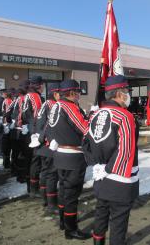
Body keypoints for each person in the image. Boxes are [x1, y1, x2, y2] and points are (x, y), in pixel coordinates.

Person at [83, 75, 139, 245]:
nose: (129, 95)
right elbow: (125, 151)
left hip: (101, 178)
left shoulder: (95, 115)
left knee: (101, 216)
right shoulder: (125, 116)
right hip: (120, 180)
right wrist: (107, 169)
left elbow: (85, 143)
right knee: (118, 223)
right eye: (127, 91)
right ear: (120, 94)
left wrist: (96, 164)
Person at [48, 79, 91, 240]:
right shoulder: (69, 106)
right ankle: (71, 230)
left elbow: (49, 128)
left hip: (60, 154)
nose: (79, 95)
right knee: (72, 194)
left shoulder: (56, 105)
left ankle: (63, 221)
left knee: (64, 190)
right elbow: (84, 128)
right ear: (72, 93)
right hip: (72, 156)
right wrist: (91, 117)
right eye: (78, 92)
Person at [30, 82, 60, 213]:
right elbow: (50, 125)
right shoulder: (53, 105)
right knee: (51, 174)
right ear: (55, 93)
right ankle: (52, 203)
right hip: (48, 143)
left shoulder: (45, 104)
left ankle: (44, 199)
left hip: (40, 143)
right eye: (61, 93)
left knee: (45, 172)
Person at [22, 76, 44, 196]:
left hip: (29, 129)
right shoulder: (35, 96)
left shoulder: (27, 95)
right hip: (35, 131)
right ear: (39, 85)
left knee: (32, 159)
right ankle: (34, 188)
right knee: (36, 160)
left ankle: (32, 187)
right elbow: (38, 115)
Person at [10, 81, 30, 185]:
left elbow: (8, 113)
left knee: (16, 153)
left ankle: (16, 173)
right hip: (23, 131)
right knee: (24, 155)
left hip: (15, 131)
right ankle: (23, 176)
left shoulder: (15, 100)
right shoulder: (25, 99)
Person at [1, 88, 14, 170]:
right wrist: (6, 124)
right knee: (7, 144)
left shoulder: (6, 100)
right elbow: (7, 113)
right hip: (8, 124)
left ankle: (6, 163)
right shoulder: (8, 101)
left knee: (6, 145)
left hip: (5, 123)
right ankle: (7, 163)